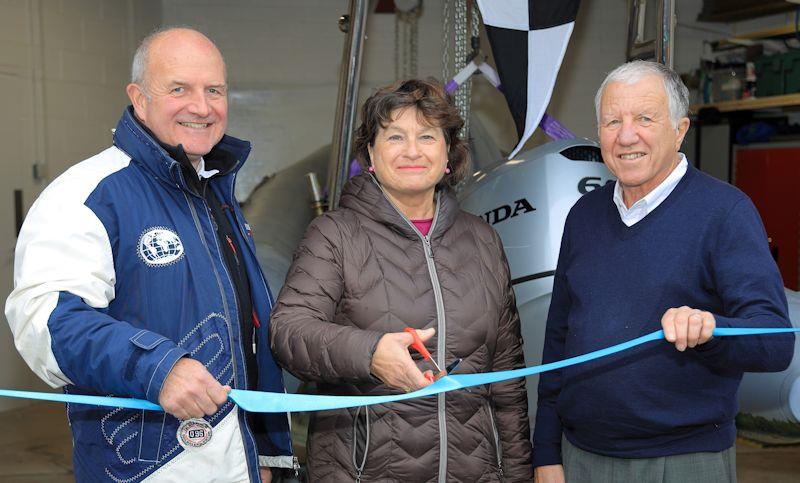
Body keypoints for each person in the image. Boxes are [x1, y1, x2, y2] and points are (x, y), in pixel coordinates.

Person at [5, 27, 293, 482]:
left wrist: (263, 449)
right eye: (179, 88)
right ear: (139, 99)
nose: (202, 106)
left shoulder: (214, 194)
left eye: (213, 90)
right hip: (147, 467)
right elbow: (44, 321)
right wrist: (158, 368)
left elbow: (245, 332)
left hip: (235, 461)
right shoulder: (88, 195)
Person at [532, 60, 796, 483]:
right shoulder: (584, 215)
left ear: (680, 129)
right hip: (581, 455)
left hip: (682, 461)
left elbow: (775, 341)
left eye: (645, 119)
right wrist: (546, 450)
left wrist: (712, 328)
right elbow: (559, 338)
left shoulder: (724, 212)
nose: (626, 135)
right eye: (612, 121)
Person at [269, 78, 533, 481]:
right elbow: (288, 333)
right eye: (395, 136)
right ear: (371, 153)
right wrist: (369, 353)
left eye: (427, 136)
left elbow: (508, 384)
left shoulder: (483, 241)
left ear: (448, 154)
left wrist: (516, 475)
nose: (412, 150)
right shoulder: (335, 234)